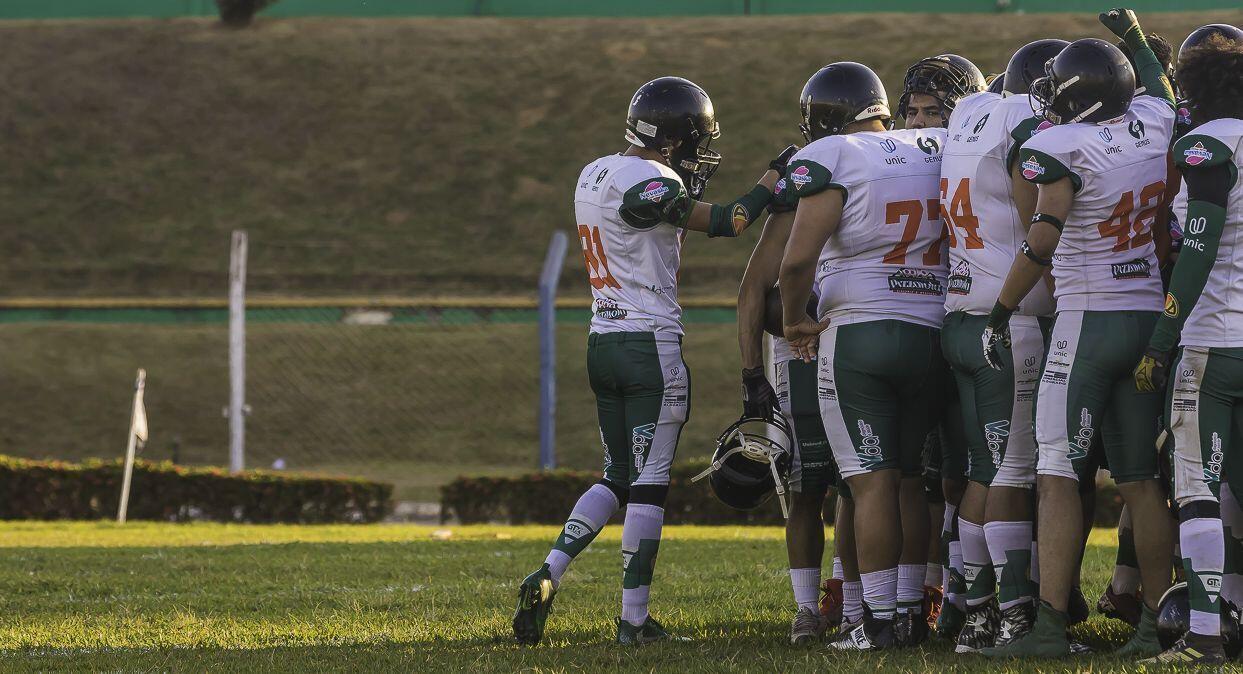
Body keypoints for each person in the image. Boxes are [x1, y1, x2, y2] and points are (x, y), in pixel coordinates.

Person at [512, 76, 790, 646]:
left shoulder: (596, 170)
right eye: (695, 140)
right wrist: (773, 178)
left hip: (602, 340)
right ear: (671, 140)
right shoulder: (651, 181)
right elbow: (730, 221)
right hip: (649, 345)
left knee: (616, 474)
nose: (699, 153)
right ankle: (634, 620)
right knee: (650, 486)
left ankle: (548, 571)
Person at [979, 9, 1178, 658]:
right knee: (1139, 481)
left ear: (1070, 97)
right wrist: (1134, 37)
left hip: (1087, 324)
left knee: (1058, 474)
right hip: (1147, 317)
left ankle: (1045, 627)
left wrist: (1001, 309)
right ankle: (1151, 623)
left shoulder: (1060, 146)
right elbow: (1159, 85)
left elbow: (1041, 238)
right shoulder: (1154, 121)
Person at [777, 61, 948, 651]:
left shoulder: (837, 157)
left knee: (870, 485)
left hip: (862, 333)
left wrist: (796, 319)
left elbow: (796, 262)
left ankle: (874, 620)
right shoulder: (935, 143)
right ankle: (907, 612)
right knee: (908, 482)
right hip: (931, 326)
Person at [937, 38, 1066, 652]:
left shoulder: (970, 113)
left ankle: (977, 611)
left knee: (985, 473)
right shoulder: (1027, 125)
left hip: (961, 310)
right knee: (1012, 474)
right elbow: (1035, 213)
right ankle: (1012, 614)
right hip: (1007, 318)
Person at [1131, 32, 1243, 665]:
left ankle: (1203, 637)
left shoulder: (1208, 144)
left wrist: (1163, 337)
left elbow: (1197, 248)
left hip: (1213, 340)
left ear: (1196, 94)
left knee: (1198, 487)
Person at [895, 53, 986, 645]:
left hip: (968, 318)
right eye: (917, 111)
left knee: (967, 470)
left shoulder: (976, 157)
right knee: (916, 473)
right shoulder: (895, 160)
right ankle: (923, 594)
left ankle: (961, 592)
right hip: (919, 325)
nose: (925, 122)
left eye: (938, 111)